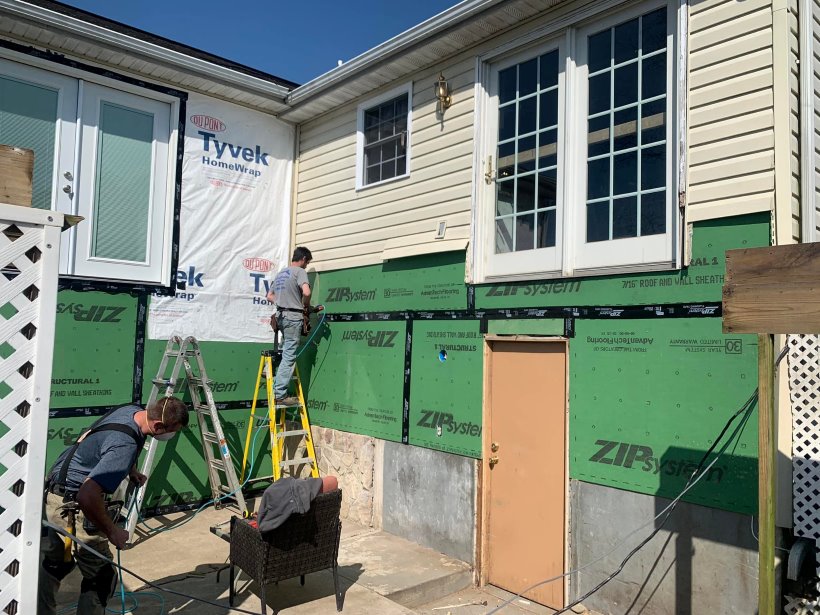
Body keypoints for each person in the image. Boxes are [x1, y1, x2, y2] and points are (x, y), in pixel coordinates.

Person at [38, 397, 189, 615]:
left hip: (54, 495)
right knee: (101, 576)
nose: (172, 436)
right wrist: (113, 531)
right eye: (173, 430)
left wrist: (130, 470)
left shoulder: (131, 410)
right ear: (158, 426)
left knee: (56, 562)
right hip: (73, 508)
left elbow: (105, 441)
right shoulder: (124, 445)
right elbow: (88, 496)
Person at [266, 246, 322, 406]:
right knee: (290, 353)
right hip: (292, 317)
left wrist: (282, 302)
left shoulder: (281, 273)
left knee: (284, 347)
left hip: (281, 316)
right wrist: (305, 306)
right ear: (303, 259)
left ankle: (269, 369)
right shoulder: (300, 272)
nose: (306, 266)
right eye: (307, 262)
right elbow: (306, 292)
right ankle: (280, 394)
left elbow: (269, 296)